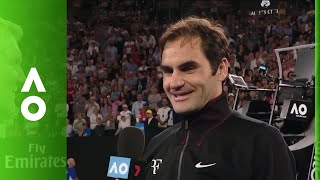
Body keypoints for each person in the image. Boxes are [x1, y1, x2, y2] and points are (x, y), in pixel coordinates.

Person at [141, 17, 296, 180]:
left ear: (221, 69)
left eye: (188, 68)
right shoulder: (157, 145)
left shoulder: (262, 142)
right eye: (168, 71)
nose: (174, 83)